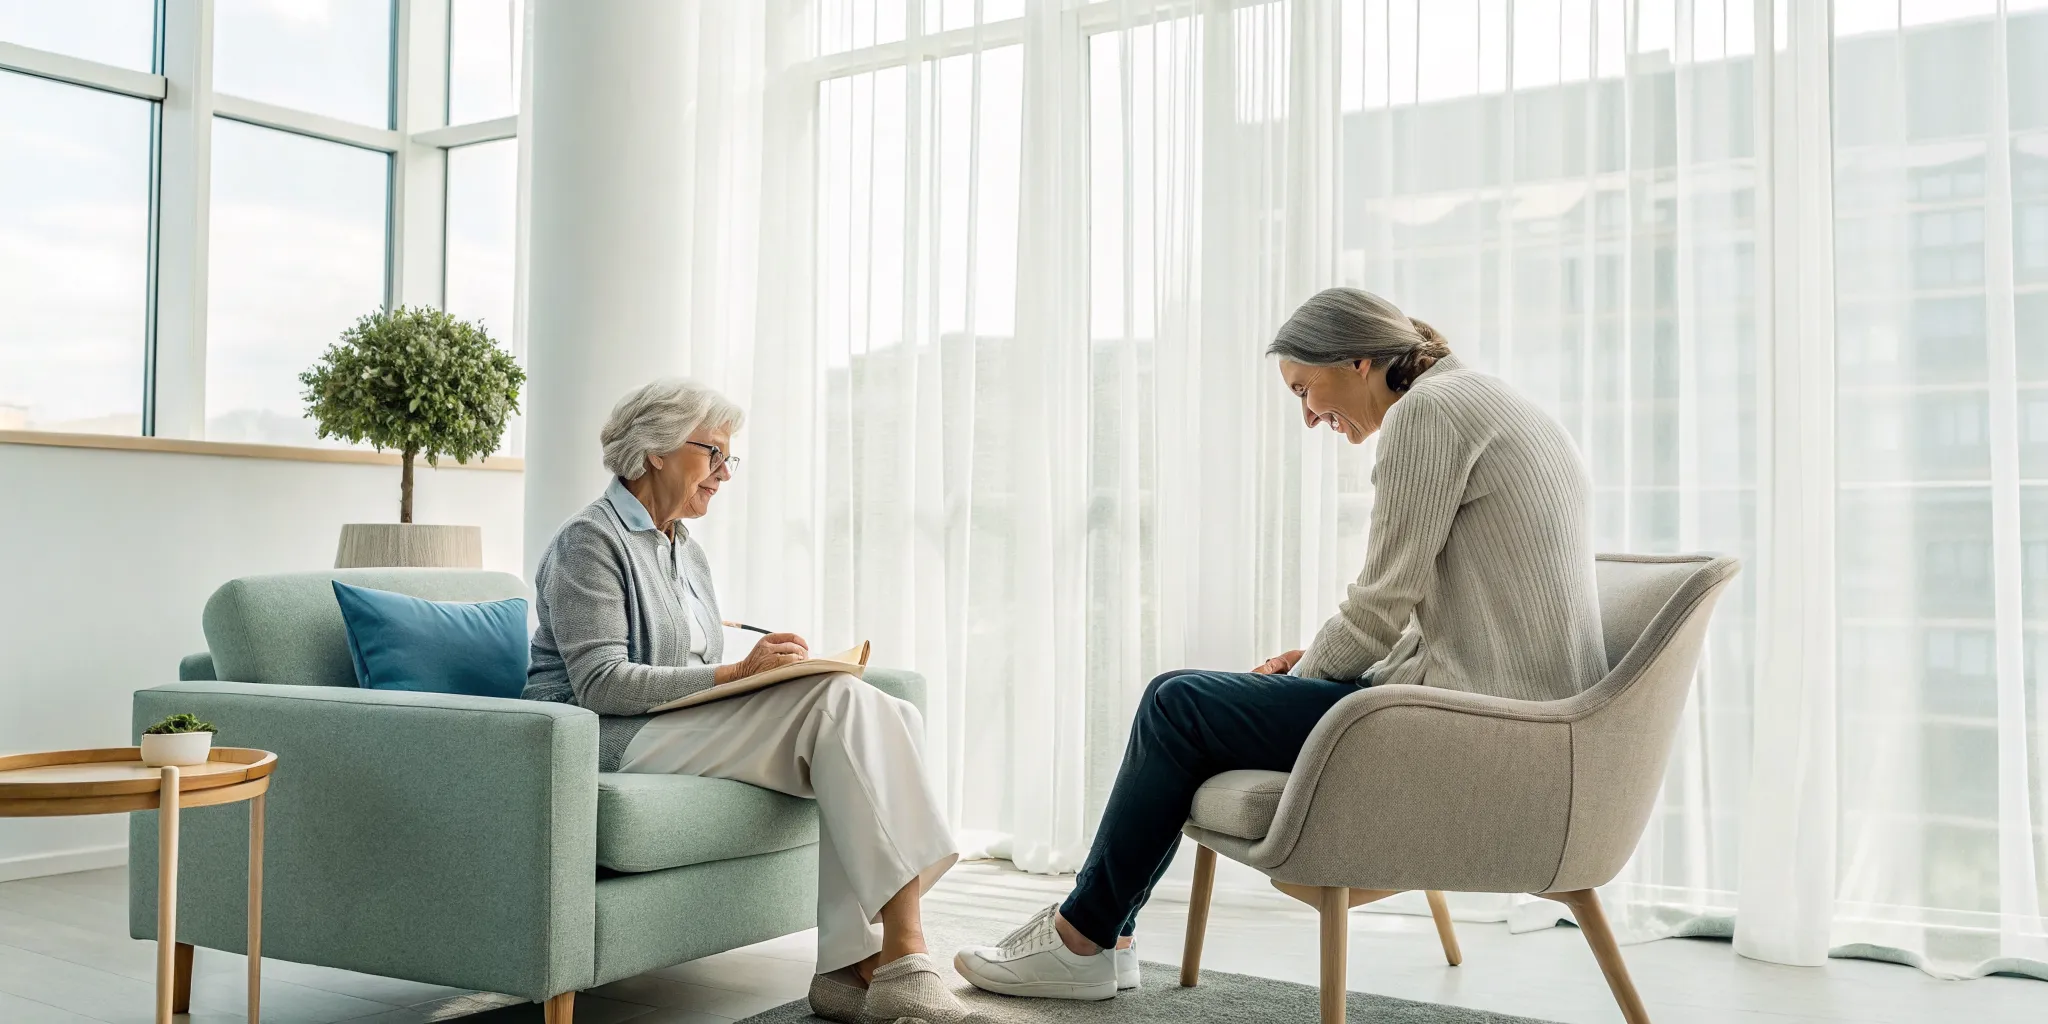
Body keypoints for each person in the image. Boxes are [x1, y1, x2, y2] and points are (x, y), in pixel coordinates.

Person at [954, 287, 1607, 1000]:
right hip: (1523, 716)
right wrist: (1320, 670)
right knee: (1196, 706)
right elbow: (1444, 620)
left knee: (1178, 704)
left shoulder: (1429, 413)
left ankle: (1085, 939)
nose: (1306, 415)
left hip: (1477, 725)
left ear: (1358, 361)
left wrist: (1304, 685)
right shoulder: (1479, 396)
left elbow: (1380, 607)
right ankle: (1105, 933)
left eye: (1305, 389)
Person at [524, 378, 965, 1023]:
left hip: (679, 722)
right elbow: (602, 684)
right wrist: (738, 674)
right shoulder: (588, 542)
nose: (725, 473)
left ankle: (852, 970)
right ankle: (900, 955)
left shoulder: (686, 549)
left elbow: (698, 665)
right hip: (607, 736)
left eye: (730, 458)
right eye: (714, 454)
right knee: (841, 706)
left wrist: (770, 673)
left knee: (886, 711)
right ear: (656, 451)